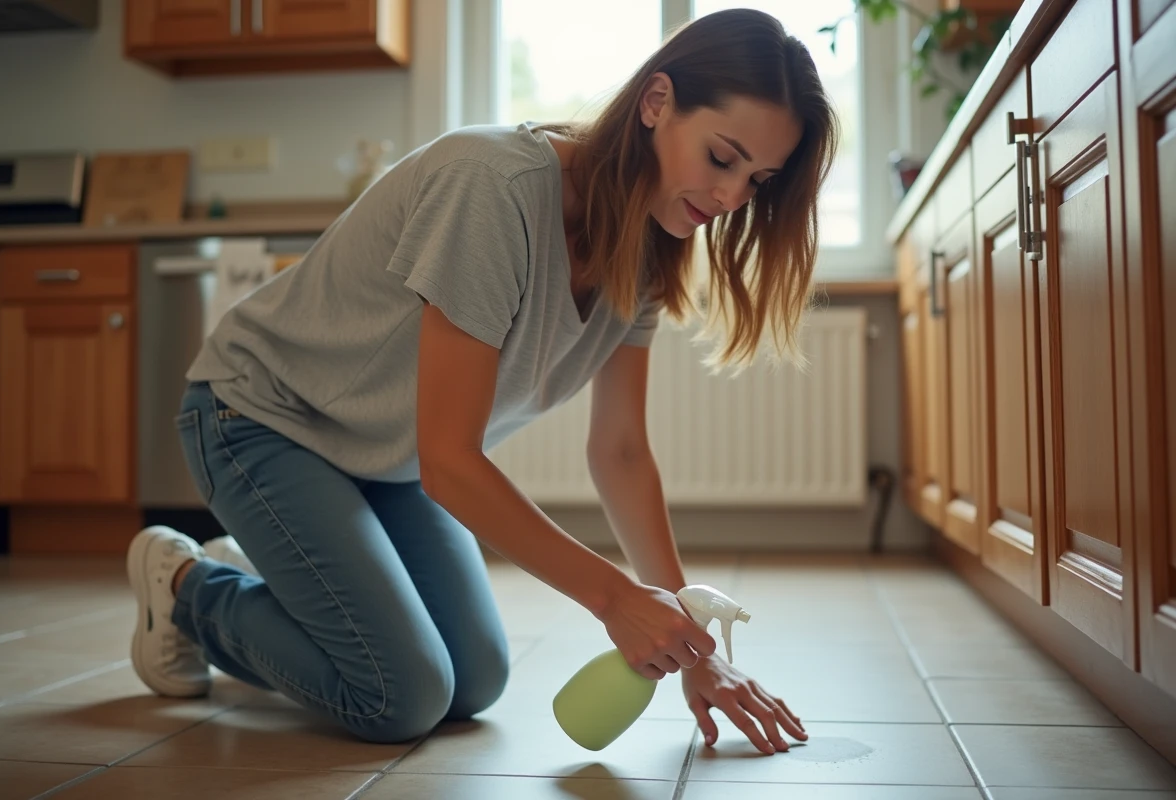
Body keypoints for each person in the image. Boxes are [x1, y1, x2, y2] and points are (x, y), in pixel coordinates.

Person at [125, 7, 838, 757]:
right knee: (399, 695)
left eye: (755, 180)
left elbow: (621, 451)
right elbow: (451, 459)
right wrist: (614, 599)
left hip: (380, 454)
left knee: (473, 683)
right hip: (258, 417)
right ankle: (185, 585)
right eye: (721, 158)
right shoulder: (494, 188)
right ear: (656, 103)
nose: (731, 199)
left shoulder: (653, 245)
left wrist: (697, 649)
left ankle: (294, 565)